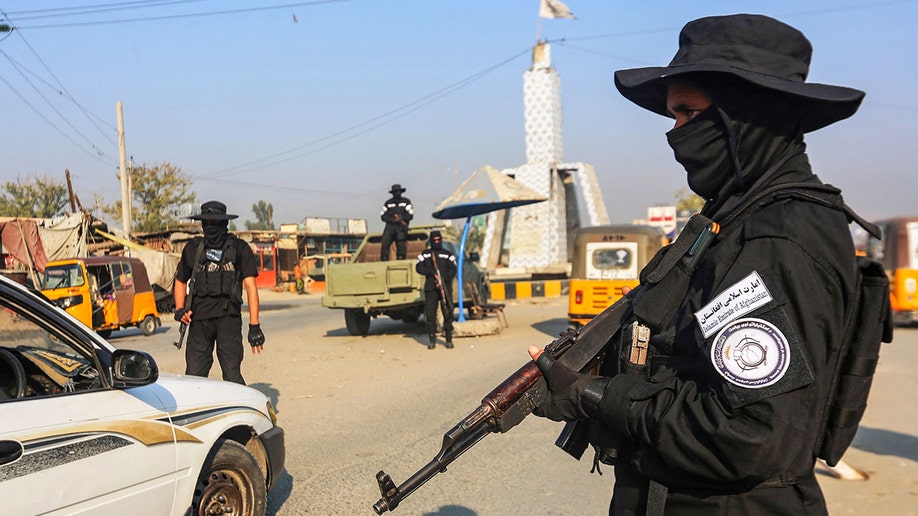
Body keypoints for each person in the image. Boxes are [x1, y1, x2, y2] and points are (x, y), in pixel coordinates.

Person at [527, 14, 868, 514]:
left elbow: (745, 435)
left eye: (688, 114)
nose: (676, 134)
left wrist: (596, 397)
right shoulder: (733, 222)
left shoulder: (776, 235)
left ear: (747, 112)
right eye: (673, 117)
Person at [174, 200, 265, 385]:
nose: (212, 227)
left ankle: (237, 411)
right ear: (202, 224)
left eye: (216, 223)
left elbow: (251, 288)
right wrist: (179, 309)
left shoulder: (240, 249)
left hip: (228, 320)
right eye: (208, 223)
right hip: (199, 320)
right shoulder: (193, 249)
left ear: (225, 223)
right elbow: (180, 280)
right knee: (194, 377)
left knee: (232, 375)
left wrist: (254, 326)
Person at [415, 230, 457, 349]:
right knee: (430, 315)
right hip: (431, 288)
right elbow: (418, 267)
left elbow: (453, 269)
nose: (437, 242)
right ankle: (432, 339)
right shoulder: (425, 254)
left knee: (448, 313)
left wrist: (443, 279)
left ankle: (448, 339)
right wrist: (431, 273)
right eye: (435, 240)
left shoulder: (448, 255)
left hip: (445, 288)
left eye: (439, 240)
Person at [380, 184, 413, 261]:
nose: (397, 193)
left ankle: (401, 259)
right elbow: (383, 216)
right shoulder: (388, 203)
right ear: (392, 193)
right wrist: (393, 220)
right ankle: (384, 259)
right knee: (385, 243)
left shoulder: (406, 202)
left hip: (401, 227)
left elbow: (410, 215)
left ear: (401, 192)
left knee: (401, 243)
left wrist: (401, 218)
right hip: (390, 227)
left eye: (398, 191)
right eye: (395, 192)